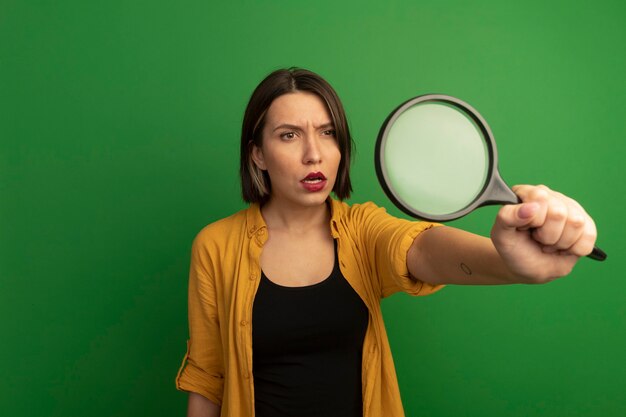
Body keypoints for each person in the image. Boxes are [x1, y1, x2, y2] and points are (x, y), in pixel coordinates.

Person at [175, 68, 598, 417]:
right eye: (288, 135)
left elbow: (423, 249)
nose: (313, 154)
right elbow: (207, 379)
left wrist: (511, 263)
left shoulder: (363, 231)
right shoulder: (216, 246)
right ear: (258, 155)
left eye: (327, 133)